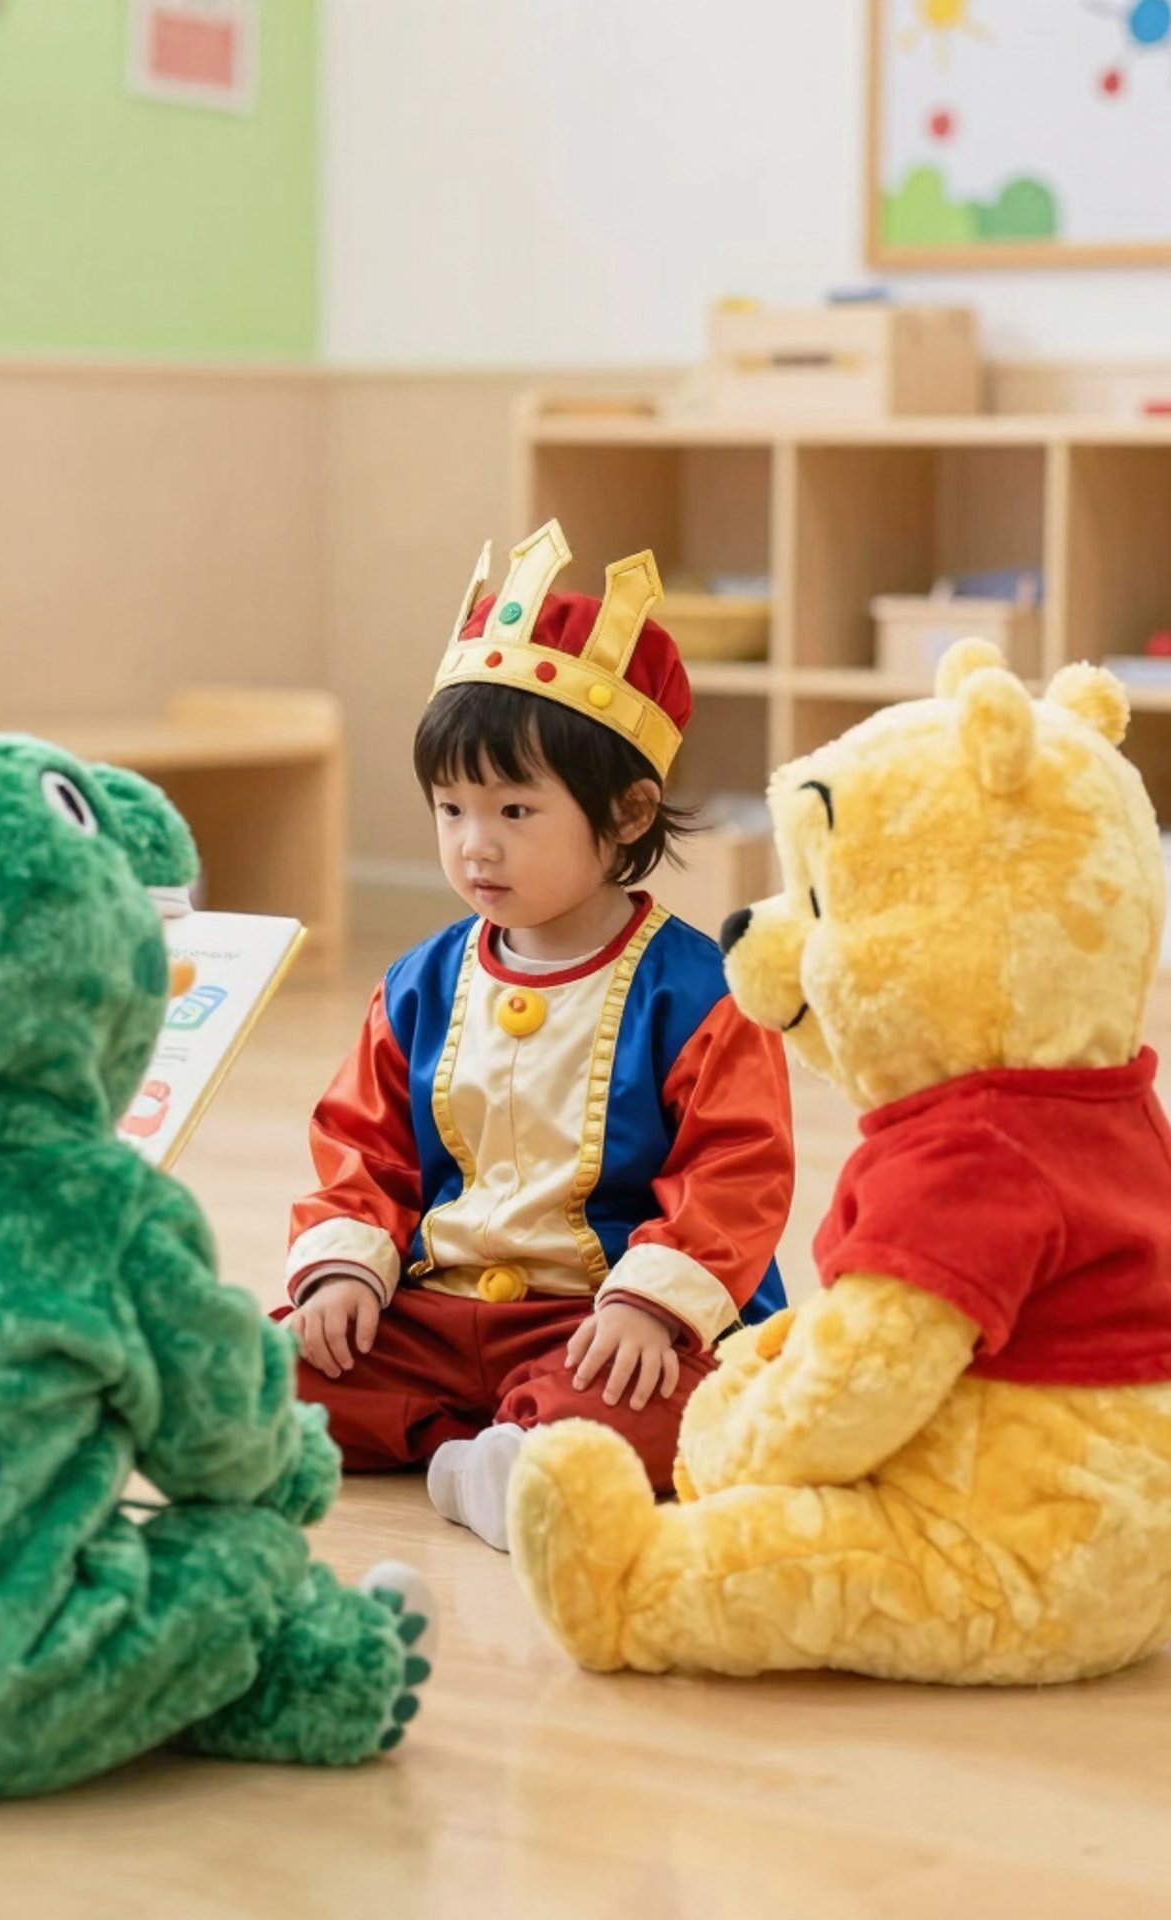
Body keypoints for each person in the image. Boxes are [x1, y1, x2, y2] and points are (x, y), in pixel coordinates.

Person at [280, 522, 795, 1550]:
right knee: (265, 1369)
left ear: (627, 810)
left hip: (601, 1325)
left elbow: (737, 1174)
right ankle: (475, 1440)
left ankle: (529, 1450)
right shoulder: (422, 981)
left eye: (516, 809)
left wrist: (652, 1307)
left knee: (684, 1407)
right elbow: (363, 1144)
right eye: (452, 808)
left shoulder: (700, 992)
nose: (477, 845)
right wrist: (345, 1271)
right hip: (431, 1315)